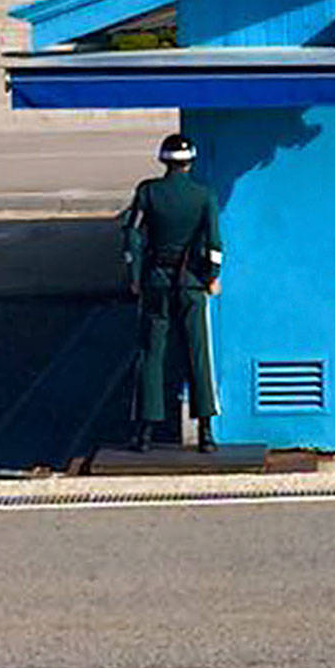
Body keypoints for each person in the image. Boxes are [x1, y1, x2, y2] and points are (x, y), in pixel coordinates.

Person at [122, 133, 223, 452]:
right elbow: (214, 244)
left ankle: (146, 431)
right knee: (198, 352)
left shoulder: (148, 192)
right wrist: (212, 277)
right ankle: (205, 430)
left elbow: (133, 238)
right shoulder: (204, 196)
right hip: (191, 283)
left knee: (152, 354)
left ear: (164, 161)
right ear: (190, 162)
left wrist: (135, 276)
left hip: (156, 281)